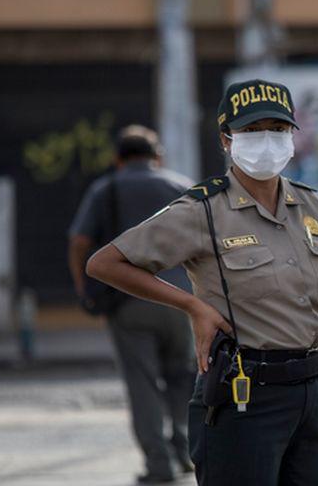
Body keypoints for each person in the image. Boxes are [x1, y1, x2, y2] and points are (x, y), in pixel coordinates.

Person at [86, 79, 318, 485]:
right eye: (252, 130)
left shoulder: (308, 204)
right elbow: (105, 263)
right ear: (226, 139)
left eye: (277, 129)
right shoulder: (204, 210)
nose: (266, 140)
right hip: (246, 396)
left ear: (292, 136)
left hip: (317, 394)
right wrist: (192, 305)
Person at [68, 126, 196, 484]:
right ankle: (185, 450)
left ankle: (159, 463)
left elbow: (79, 241)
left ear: (118, 159)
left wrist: (84, 287)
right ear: (158, 157)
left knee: (143, 383)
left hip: (129, 302)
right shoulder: (181, 186)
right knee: (183, 377)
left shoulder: (104, 189)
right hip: (182, 301)